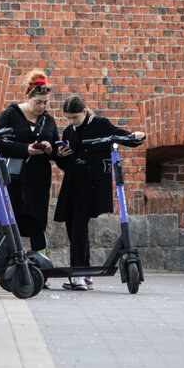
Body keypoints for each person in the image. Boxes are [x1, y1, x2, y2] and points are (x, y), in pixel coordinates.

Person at [53, 96, 144, 291]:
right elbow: (64, 165)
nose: (71, 122)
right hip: (72, 186)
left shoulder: (100, 124)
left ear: (84, 112)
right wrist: (61, 154)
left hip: (90, 186)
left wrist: (136, 137)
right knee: (75, 229)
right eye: (68, 118)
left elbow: (119, 135)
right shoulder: (69, 131)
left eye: (74, 117)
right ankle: (84, 275)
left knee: (78, 226)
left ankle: (78, 274)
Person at [0, 69, 59, 263]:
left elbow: (56, 147)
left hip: (38, 180)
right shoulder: (10, 115)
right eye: (38, 102)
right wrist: (25, 149)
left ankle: (40, 264)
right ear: (28, 97)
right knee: (10, 219)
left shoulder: (48, 120)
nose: (42, 107)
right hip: (13, 178)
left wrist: (50, 149)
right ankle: (9, 262)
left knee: (38, 221)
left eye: (45, 103)